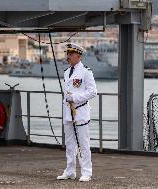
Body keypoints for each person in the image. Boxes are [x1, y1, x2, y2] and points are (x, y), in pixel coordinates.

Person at [57, 43, 97, 182]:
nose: (68, 56)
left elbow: (93, 92)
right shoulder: (67, 72)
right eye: (67, 54)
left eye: (71, 54)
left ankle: (86, 172)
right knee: (69, 144)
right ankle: (70, 171)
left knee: (83, 144)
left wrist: (74, 98)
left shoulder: (86, 71)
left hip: (80, 112)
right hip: (68, 112)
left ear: (78, 56)